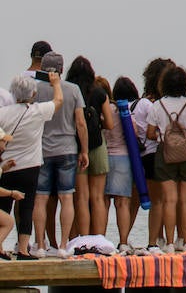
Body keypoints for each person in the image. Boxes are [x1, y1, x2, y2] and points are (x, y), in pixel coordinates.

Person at [32, 50, 87, 257]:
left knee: (41, 199)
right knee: (66, 197)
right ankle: (63, 245)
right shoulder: (73, 90)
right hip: (67, 148)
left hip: (42, 148)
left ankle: (39, 244)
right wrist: (84, 150)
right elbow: (80, 123)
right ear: (61, 69)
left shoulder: (35, 90)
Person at [0, 73, 60, 259]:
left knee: (3, 207)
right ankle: (23, 249)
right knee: (27, 207)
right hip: (30, 165)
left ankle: (0, 246)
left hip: (6, 165)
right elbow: (58, 100)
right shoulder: (37, 110)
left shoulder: (3, 112)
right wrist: (56, 83)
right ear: (33, 93)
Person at [145, 65, 186, 253]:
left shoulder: (157, 105)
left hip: (165, 154)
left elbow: (150, 133)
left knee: (169, 200)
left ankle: (168, 243)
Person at [65, 56, 114, 240]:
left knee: (81, 198)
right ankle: (99, 239)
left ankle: (83, 239)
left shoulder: (70, 92)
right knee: (98, 197)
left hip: (76, 147)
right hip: (98, 146)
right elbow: (110, 124)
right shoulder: (100, 93)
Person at [131, 58, 172, 252]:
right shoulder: (156, 105)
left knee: (134, 201)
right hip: (154, 154)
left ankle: (124, 238)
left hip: (138, 157)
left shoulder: (137, 103)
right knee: (158, 201)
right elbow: (155, 132)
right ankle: (153, 242)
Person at [104, 76, 140, 253]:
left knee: (103, 202)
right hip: (123, 157)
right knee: (123, 203)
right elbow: (134, 133)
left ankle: (100, 239)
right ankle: (123, 241)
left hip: (105, 156)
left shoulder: (106, 110)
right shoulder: (124, 111)